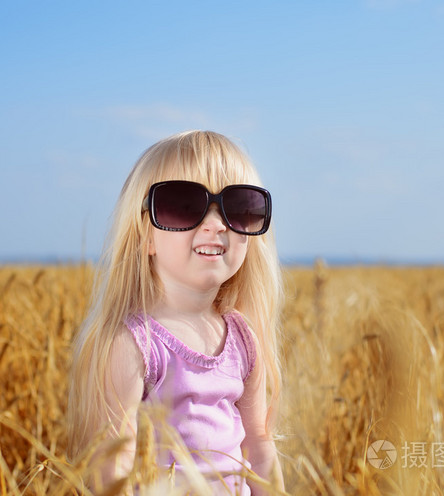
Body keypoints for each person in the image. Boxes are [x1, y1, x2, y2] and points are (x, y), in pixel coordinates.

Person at [67, 130, 284, 495]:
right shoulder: (135, 344)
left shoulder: (243, 339)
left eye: (239, 208)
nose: (215, 224)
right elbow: (113, 465)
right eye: (184, 205)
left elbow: (259, 446)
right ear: (144, 237)